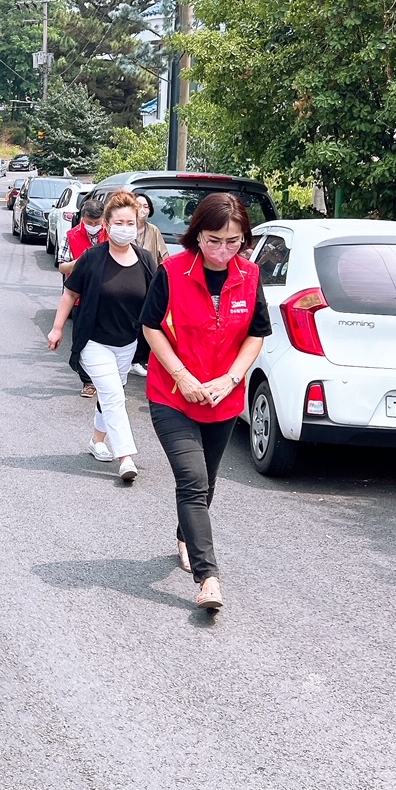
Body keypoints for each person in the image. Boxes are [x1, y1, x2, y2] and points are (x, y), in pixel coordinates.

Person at [140, 193, 271, 610]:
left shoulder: (249, 276)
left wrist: (232, 378)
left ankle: (185, 536)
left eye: (233, 242)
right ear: (197, 235)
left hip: (223, 400)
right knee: (193, 483)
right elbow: (151, 327)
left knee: (207, 482)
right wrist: (182, 375)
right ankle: (208, 578)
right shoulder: (173, 271)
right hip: (173, 397)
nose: (222, 251)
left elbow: (257, 334)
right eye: (213, 240)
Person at [48, 190, 158, 483]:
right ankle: (126, 458)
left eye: (130, 223)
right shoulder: (93, 258)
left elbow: (159, 301)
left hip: (127, 343)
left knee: (112, 394)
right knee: (113, 395)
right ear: (107, 225)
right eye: (119, 222)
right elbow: (71, 291)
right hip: (94, 342)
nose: (126, 228)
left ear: (138, 225)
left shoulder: (146, 261)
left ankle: (97, 440)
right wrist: (58, 327)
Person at [56, 195, 107, 399]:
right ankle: (87, 382)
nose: (94, 226)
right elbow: (62, 266)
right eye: (89, 223)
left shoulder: (112, 233)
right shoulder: (71, 235)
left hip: (107, 297)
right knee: (82, 341)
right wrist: (81, 262)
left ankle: (106, 380)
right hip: (80, 298)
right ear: (82, 219)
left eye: (97, 223)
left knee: (106, 339)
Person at [129, 193, 170, 377]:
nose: (142, 209)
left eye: (146, 206)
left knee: (144, 320)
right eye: (139, 205)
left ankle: (138, 359)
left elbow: (164, 256)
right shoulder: (125, 228)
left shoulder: (153, 230)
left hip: (148, 281)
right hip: (127, 279)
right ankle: (125, 357)